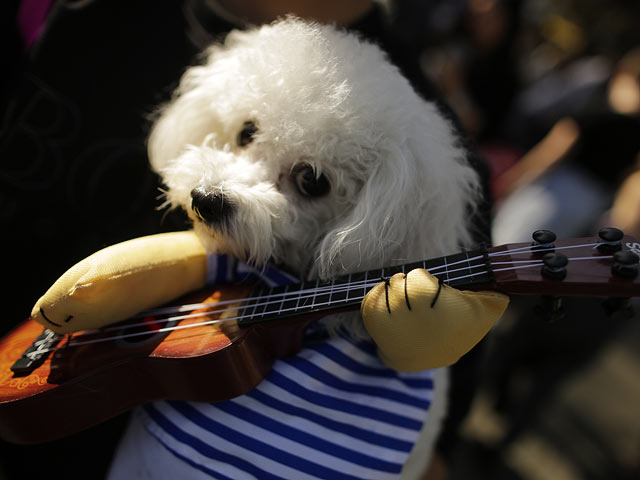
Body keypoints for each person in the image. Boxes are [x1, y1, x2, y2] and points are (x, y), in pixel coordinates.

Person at [1, 1, 494, 478]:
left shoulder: (422, 155)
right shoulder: (92, 13)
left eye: (310, 182)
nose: (222, 189)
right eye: (246, 135)